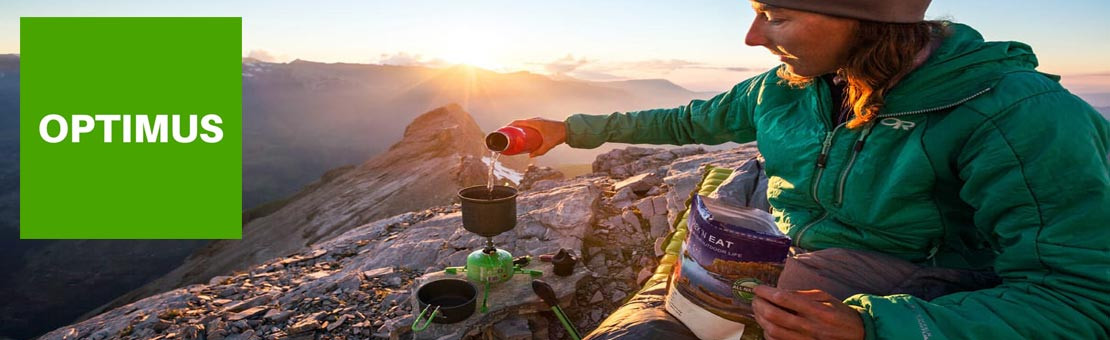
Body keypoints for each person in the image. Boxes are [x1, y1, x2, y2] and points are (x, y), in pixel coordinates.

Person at [506, 0, 1110, 339]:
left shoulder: (1016, 114)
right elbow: (691, 120)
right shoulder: (792, 85)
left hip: (921, 271)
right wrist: (573, 129)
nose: (750, 36)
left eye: (776, 14)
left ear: (867, 19)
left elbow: (1082, 300)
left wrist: (875, 329)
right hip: (803, 239)